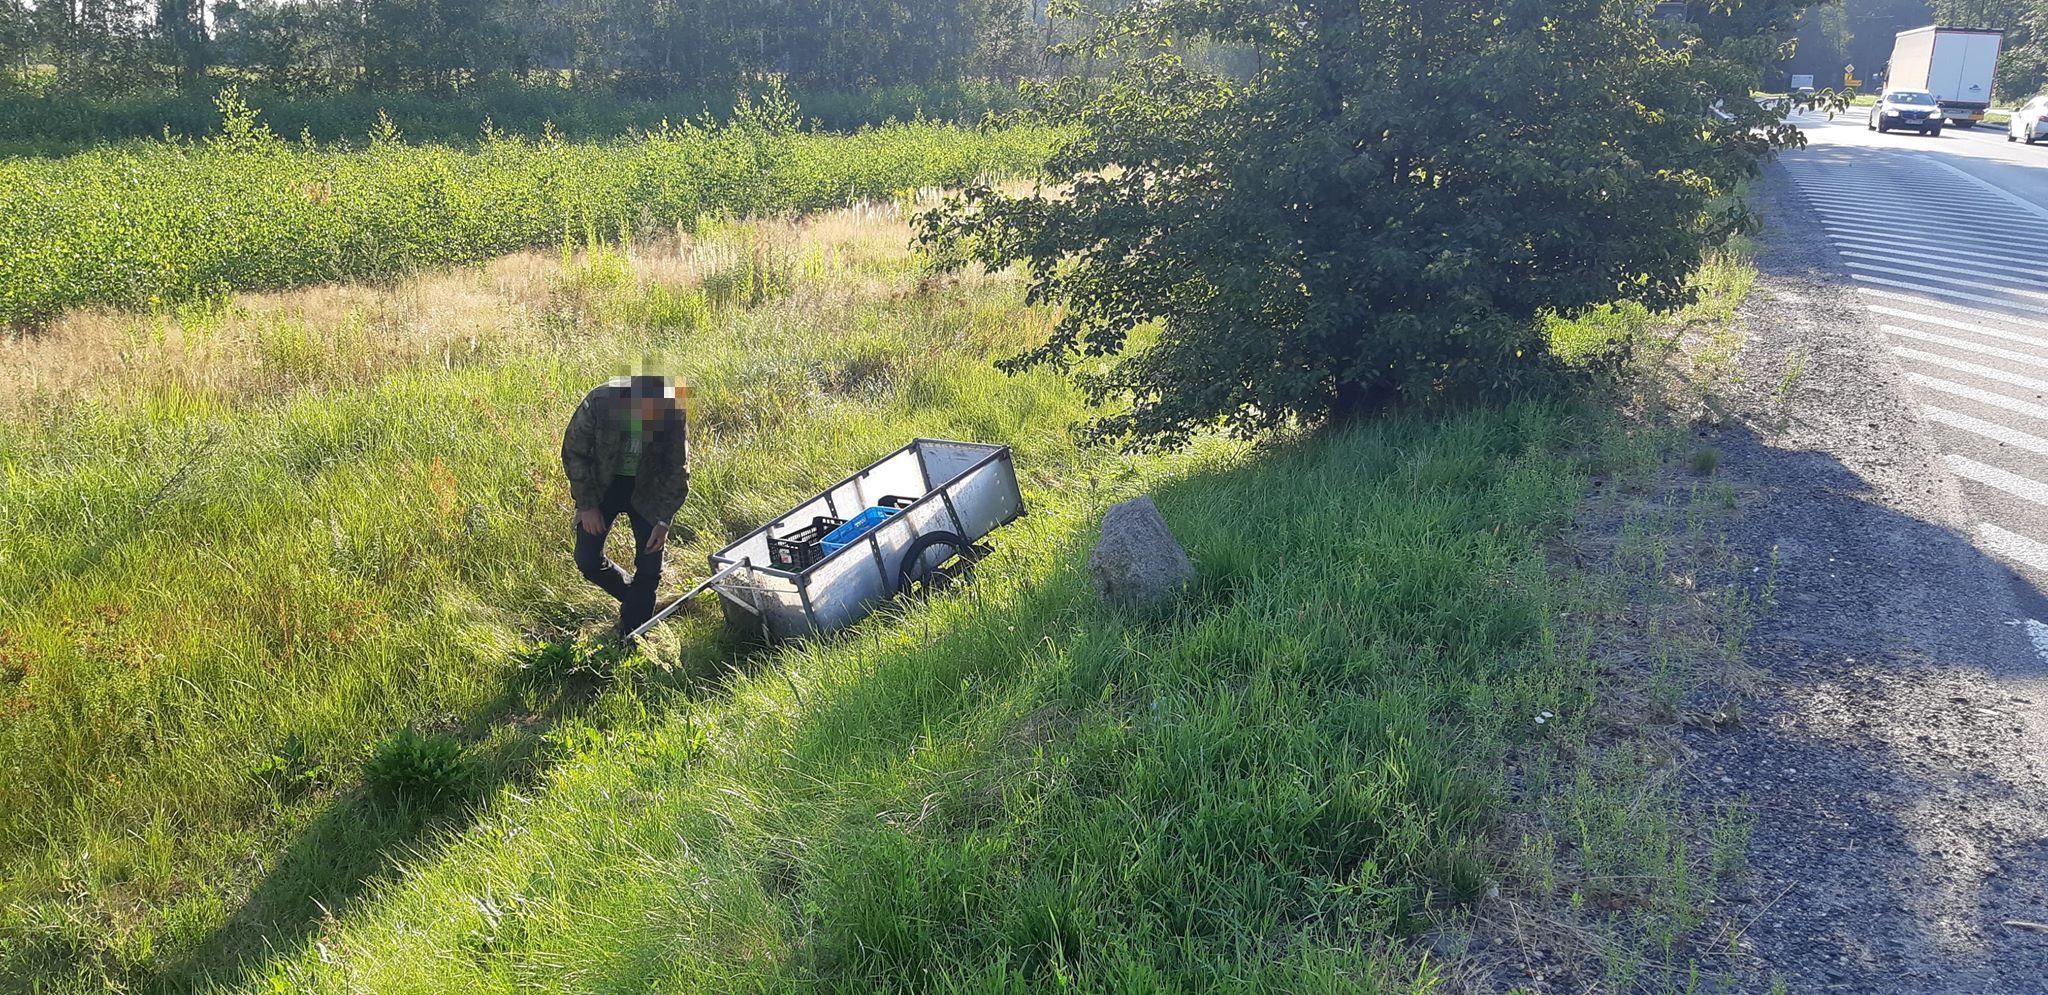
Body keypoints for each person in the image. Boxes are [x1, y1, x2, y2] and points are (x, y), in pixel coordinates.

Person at [561, 374, 689, 639]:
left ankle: (633, 636)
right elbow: (574, 451)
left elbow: (678, 468)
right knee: (587, 560)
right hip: (603, 486)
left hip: (648, 490)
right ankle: (637, 601)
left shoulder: (673, 411)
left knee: (649, 567)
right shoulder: (600, 401)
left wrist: (663, 521)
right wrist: (587, 506)